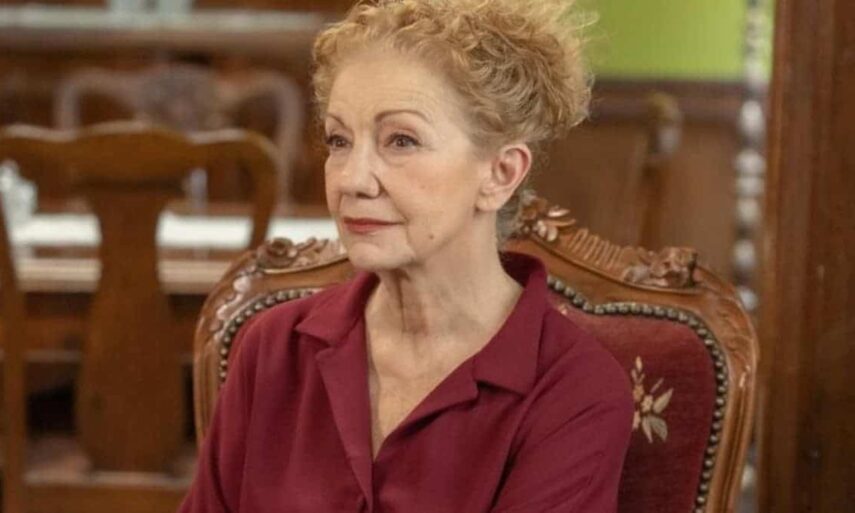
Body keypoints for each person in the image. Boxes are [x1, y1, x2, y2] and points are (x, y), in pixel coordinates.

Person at [179, 0, 633, 511]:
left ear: (500, 173)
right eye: (339, 141)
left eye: (401, 140)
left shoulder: (574, 390)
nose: (352, 179)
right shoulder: (274, 349)